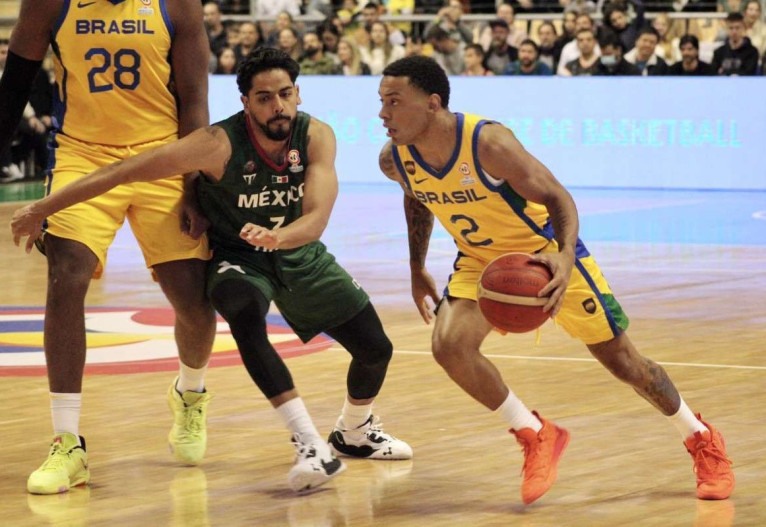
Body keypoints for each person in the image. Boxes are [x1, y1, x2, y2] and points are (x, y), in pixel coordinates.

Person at [11, 47, 413, 493]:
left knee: (376, 348)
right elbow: (123, 171)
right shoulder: (216, 144)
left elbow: (317, 217)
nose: (276, 106)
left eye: (284, 94)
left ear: (298, 94)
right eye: (263, 97)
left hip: (298, 251)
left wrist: (279, 237)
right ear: (245, 102)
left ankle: (353, 431)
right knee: (242, 313)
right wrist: (42, 208)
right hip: (239, 258)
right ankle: (308, 443)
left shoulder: (316, 135)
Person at [375, 55, 734, 505]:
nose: (382, 113)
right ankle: (535, 432)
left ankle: (700, 438)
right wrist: (416, 269)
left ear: (431, 104)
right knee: (448, 346)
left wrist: (563, 258)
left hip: (543, 254)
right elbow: (418, 200)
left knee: (625, 363)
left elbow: (557, 196)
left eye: (393, 101)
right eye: (380, 101)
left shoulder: (489, 143)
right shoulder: (395, 161)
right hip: (480, 262)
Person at [0, 0, 217, 494]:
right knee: (65, 277)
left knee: (195, 303)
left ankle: (189, 393)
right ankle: (68, 442)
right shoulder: (50, 4)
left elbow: (195, 99)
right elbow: (12, 89)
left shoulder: (177, 5)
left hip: (164, 154)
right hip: (82, 155)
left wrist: (193, 184)